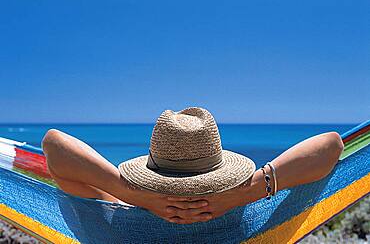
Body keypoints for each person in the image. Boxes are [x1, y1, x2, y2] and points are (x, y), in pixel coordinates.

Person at [42, 107, 344, 224]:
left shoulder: (118, 219)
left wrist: (131, 194)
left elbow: (54, 145)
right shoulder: (245, 221)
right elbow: (331, 146)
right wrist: (244, 194)